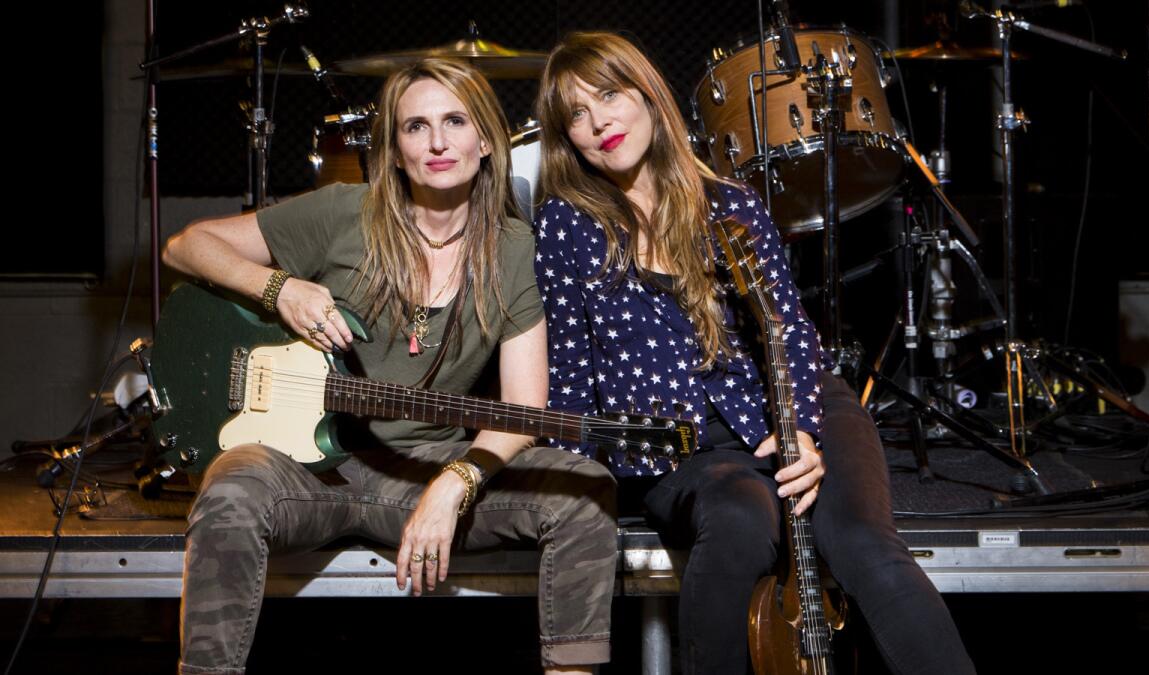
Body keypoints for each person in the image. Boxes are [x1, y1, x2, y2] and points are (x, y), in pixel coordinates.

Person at [533, 32, 975, 675]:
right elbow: (567, 378)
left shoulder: (732, 206)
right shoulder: (565, 225)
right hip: (684, 450)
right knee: (741, 520)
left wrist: (804, 433)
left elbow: (792, 334)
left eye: (609, 94)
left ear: (649, 96)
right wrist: (577, 490)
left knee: (859, 541)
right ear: (565, 137)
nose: (599, 120)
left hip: (797, 405)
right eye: (576, 113)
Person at [162, 58, 616, 675]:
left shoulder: (513, 249)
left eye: (455, 122)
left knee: (584, 494)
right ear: (395, 149)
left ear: (485, 140)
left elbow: (523, 409)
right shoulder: (345, 213)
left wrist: (456, 483)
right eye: (415, 127)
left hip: (424, 469)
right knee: (230, 492)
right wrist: (279, 290)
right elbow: (186, 246)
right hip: (306, 470)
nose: (436, 142)